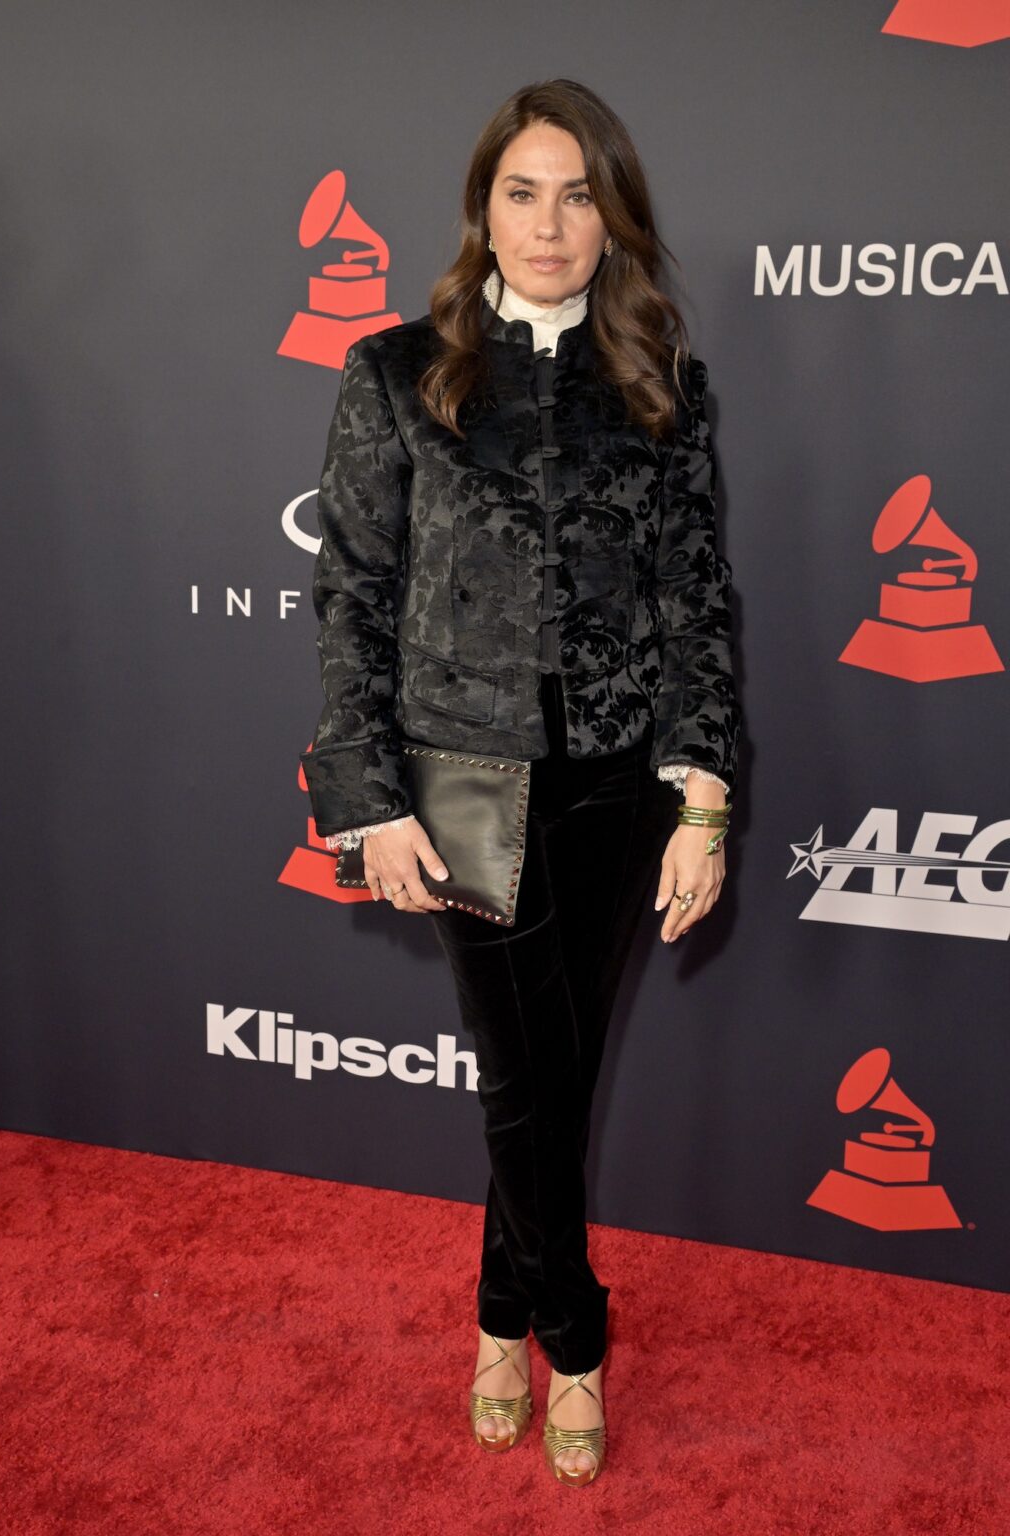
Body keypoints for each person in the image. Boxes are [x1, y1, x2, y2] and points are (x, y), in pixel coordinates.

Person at [300, 79, 741, 1487]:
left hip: (619, 783)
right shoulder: (397, 374)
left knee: (555, 1073)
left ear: (614, 221)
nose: (549, 225)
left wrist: (704, 800)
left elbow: (696, 600)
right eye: (522, 193)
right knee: (523, 1076)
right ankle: (576, 1338)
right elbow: (352, 593)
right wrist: (368, 798)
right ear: (482, 210)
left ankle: (499, 1319)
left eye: (578, 196)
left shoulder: (661, 382)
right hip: (459, 785)